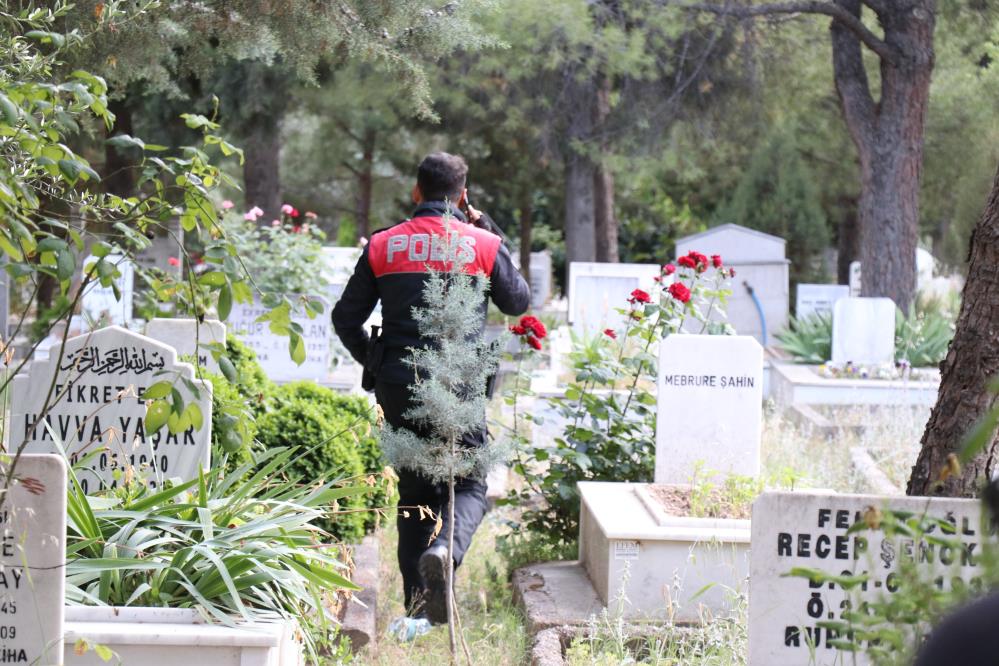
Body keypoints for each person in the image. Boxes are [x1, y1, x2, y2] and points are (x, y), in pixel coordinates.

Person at [331, 152, 530, 626]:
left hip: (399, 384)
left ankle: (418, 614)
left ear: (416, 191)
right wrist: (489, 227)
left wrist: (376, 363)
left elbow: (345, 318)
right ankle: (445, 550)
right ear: (462, 195)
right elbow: (518, 302)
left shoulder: (383, 245)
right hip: (460, 386)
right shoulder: (481, 242)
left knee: (416, 490)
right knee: (472, 483)